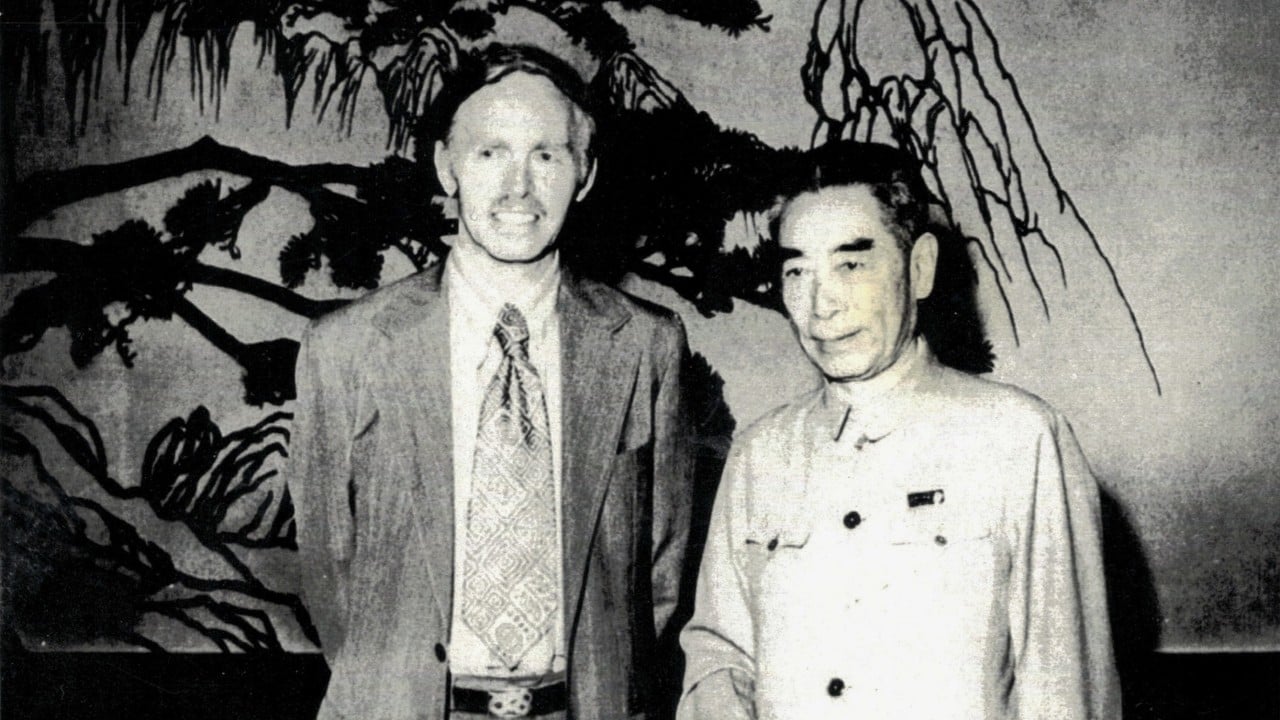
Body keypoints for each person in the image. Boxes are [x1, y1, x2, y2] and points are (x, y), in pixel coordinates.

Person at [291, 43, 694, 720]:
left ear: (585, 173)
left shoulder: (647, 344)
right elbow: (330, 571)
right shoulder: (347, 348)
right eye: (489, 153)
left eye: (547, 155)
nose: (518, 188)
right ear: (446, 166)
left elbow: (659, 573)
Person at [677, 142, 1120, 720]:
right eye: (797, 270)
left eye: (851, 265)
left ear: (920, 268)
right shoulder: (760, 454)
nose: (821, 305)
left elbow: (1065, 690)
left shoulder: (1019, 439)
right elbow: (720, 654)